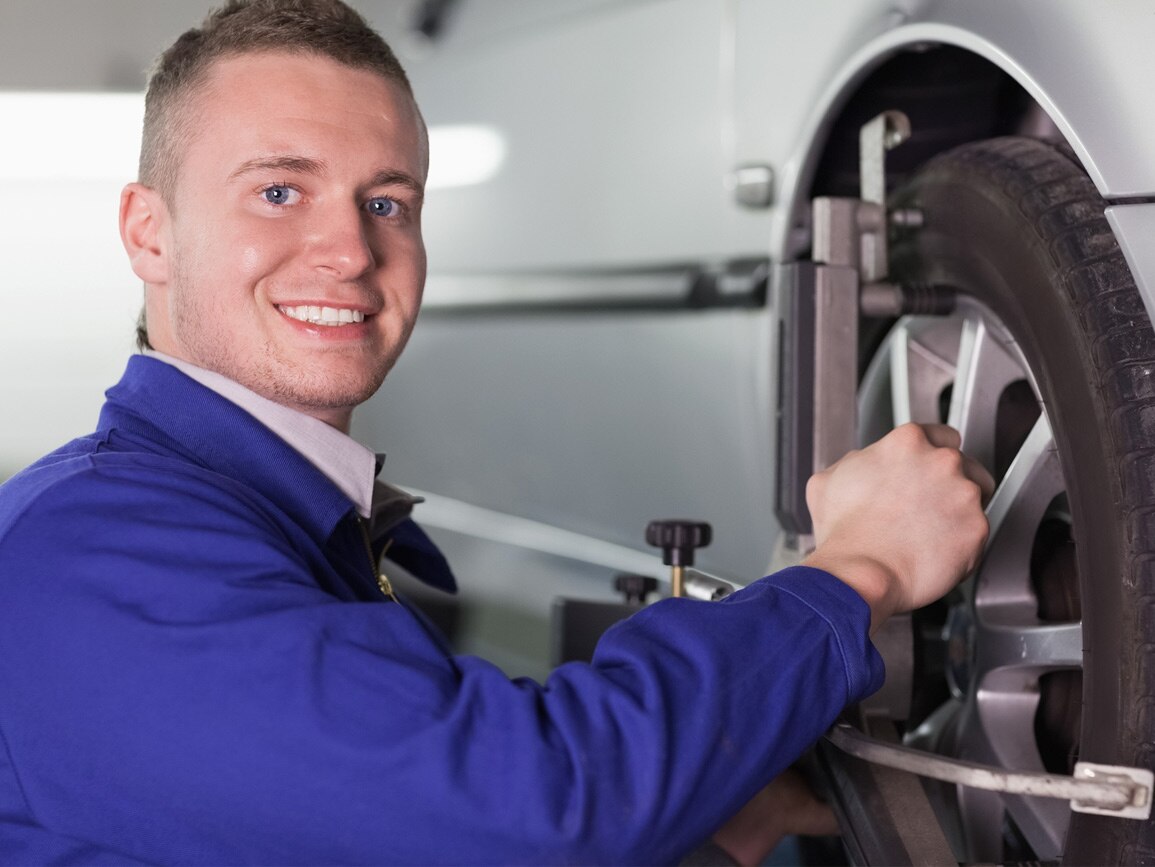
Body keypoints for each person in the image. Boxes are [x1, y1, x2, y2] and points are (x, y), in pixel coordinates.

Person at [0, 1, 993, 864]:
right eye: (278, 192)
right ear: (148, 233)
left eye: (387, 201)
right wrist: (862, 569)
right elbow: (531, 813)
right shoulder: (94, 559)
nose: (350, 250)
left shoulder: (256, 519)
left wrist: (698, 829)